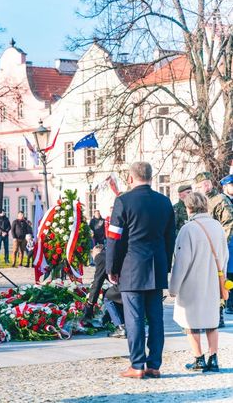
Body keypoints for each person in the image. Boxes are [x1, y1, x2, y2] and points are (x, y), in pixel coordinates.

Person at [106, 162, 175, 379]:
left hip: (131, 266)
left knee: (134, 318)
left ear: (130, 178)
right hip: (156, 266)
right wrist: (166, 265)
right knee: (156, 319)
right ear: (151, 177)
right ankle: (154, 365)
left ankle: (137, 365)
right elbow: (170, 238)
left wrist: (111, 267)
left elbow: (114, 238)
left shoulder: (123, 201)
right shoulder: (165, 202)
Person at [169, 192, 228, 372]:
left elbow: (181, 261)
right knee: (212, 321)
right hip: (213, 281)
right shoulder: (217, 226)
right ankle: (214, 359)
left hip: (191, 283)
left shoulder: (188, 229)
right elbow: (224, 256)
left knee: (190, 322)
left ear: (189, 207)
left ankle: (198, 358)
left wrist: (173, 287)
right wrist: (223, 280)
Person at [194, 171, 233, 327]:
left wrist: (221, 245)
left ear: (208, 184)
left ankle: (218, 315)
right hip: (203, 249)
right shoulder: (201, 201)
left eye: (202, 185)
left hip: (216, 250)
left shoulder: (220, 200)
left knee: (218, 282)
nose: (200, 188)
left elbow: (229, 223)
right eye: (198, 186)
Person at [84, 244, 125, 338]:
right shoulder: (108, 255)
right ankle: (120, 322)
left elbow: (98, 282)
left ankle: (121, 327)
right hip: (130, 282)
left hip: (124, 284)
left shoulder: (100, 257)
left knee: (108, 296)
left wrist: (90, 303)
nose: (93, 258)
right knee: (114, 295)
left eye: (92, 254)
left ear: (96, 252)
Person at [218, 174, 233, 315]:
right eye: (232, 185)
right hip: (227, 242)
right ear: (225, 187)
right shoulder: (222, 201)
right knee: (228, 273)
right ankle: (228, 303)